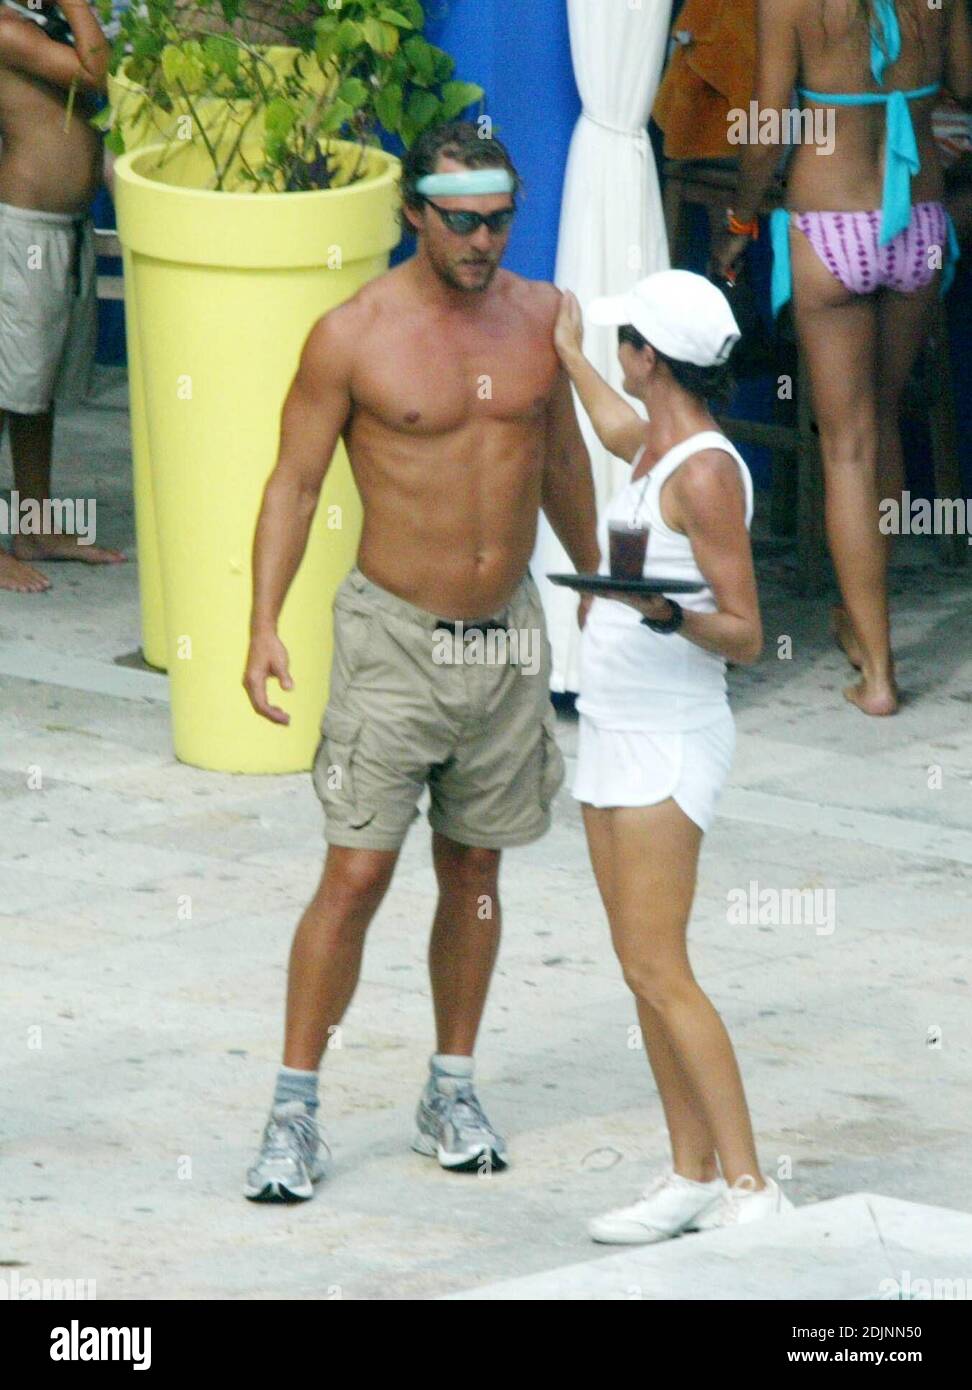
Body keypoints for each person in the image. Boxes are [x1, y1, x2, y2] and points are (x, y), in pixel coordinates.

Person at [241, 122, 600, 1203]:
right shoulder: (354, 333)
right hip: (393, 638)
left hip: (507, 639)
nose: (482, 241)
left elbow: (564, 462)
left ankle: (451, 1086)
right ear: (416, 215)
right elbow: (293, 485)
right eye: (461, 221)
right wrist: (261, 625)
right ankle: (293, 1109)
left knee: (477, 870)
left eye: (498, 220)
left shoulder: (543, 320)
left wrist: (606, 589)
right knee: (355, 871)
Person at [554, 270, 792, 1241]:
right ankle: (690, 1171)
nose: (619, 356)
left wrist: (662, 611)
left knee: (662, 965)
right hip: (613, 726)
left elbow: (744, 630)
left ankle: (751, 1185)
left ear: (650, 356)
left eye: (622, 344)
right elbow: (614, 428)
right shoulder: (655, 442)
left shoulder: (703, 471)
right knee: (636, 965)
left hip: (670, 738)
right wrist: (570, 353)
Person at [712, 0, 972, 717]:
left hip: (829, 224)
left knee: (848, 448)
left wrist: (738, 220)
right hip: (918, 221)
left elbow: (767, 128)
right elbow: (966, 83)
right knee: (881, 422)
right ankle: (860, 630)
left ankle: (879, 671)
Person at [0, 0, 125, 591]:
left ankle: (34, 525)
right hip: (19, 227)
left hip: (61, 226)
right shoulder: (4, 28)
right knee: (4, 389)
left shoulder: (42, 26)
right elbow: (93, 72)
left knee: (36, 386)